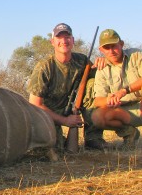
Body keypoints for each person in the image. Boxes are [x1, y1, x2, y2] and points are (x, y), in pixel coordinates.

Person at [27, 23, 107, 152]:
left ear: (73, 40)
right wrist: (65, 121)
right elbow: (35, 104)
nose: (64, 41)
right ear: (52, 42)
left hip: (71, 109)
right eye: (59, 38)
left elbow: (101, 80)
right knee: (54, 148)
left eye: (67, 37)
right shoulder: (44, 67)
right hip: (49, 114)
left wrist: (103, 62)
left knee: (93, 84)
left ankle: (93, 138)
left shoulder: (82, 61)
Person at [92, 29, 142, 149]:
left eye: (114, 46)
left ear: (121, 44)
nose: (111, 51)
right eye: (107, 48)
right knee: (97, 117)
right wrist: (109, 100)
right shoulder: (102, 68)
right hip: (123, 111)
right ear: (101, 50)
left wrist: (125, 90)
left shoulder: (136, 55)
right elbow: (98, 100)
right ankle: (129, 133)